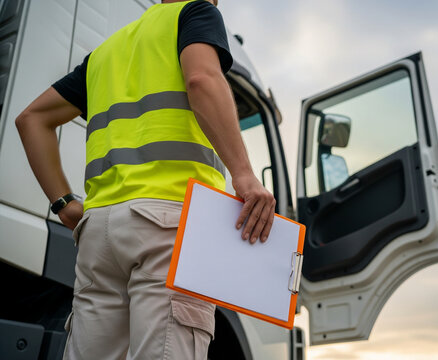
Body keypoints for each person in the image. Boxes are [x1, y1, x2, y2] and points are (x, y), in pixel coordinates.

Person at [15, 0, 275, 358]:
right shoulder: (196, 13)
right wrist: (245, 176)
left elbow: (31, 119)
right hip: (171, 225)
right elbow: (201, 78)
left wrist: (64, 204)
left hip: (99, 233)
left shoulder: (105, 53)